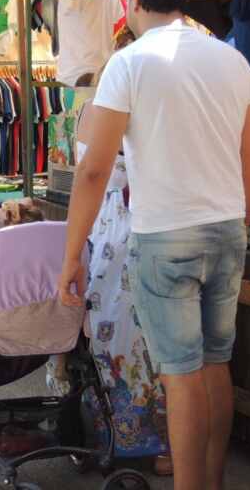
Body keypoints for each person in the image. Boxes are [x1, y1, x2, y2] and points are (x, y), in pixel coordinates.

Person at [58, 0, 250, 490]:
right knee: (215, 365)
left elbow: (95, 170)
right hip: (227, 228)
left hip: (167, 233)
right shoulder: (233, 60)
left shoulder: (129, 63)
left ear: (134, 2)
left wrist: (72, 254)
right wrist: (239, 218)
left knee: (182, 375)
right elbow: (249, 157)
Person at [71, 26, 171, 474]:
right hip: (145, 225)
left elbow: (88, 172)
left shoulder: (97, 108)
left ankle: (115, 436)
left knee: (117, 336)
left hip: (112, 231)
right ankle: (161, 444)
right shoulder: (160, 107)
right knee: (153, 341)